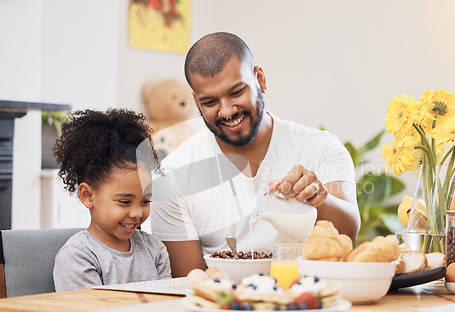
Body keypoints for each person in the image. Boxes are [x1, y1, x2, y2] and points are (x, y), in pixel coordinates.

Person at [151, 32, 361, 277]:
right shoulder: (172, 175)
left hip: (310, 302)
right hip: (222, 308)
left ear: (259, 79)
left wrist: (318, 198)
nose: (227, 111)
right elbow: (189, 281)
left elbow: (349, 233)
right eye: (210, 102)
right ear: (197, 104)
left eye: (237, 92)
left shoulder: (321, 147)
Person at [52, 109, 171, 291]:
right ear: (87, 196)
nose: (137, 213)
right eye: (124, 201)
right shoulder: (78, 256)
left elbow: (168, 305)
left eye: (145, 201)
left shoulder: (154, 249)